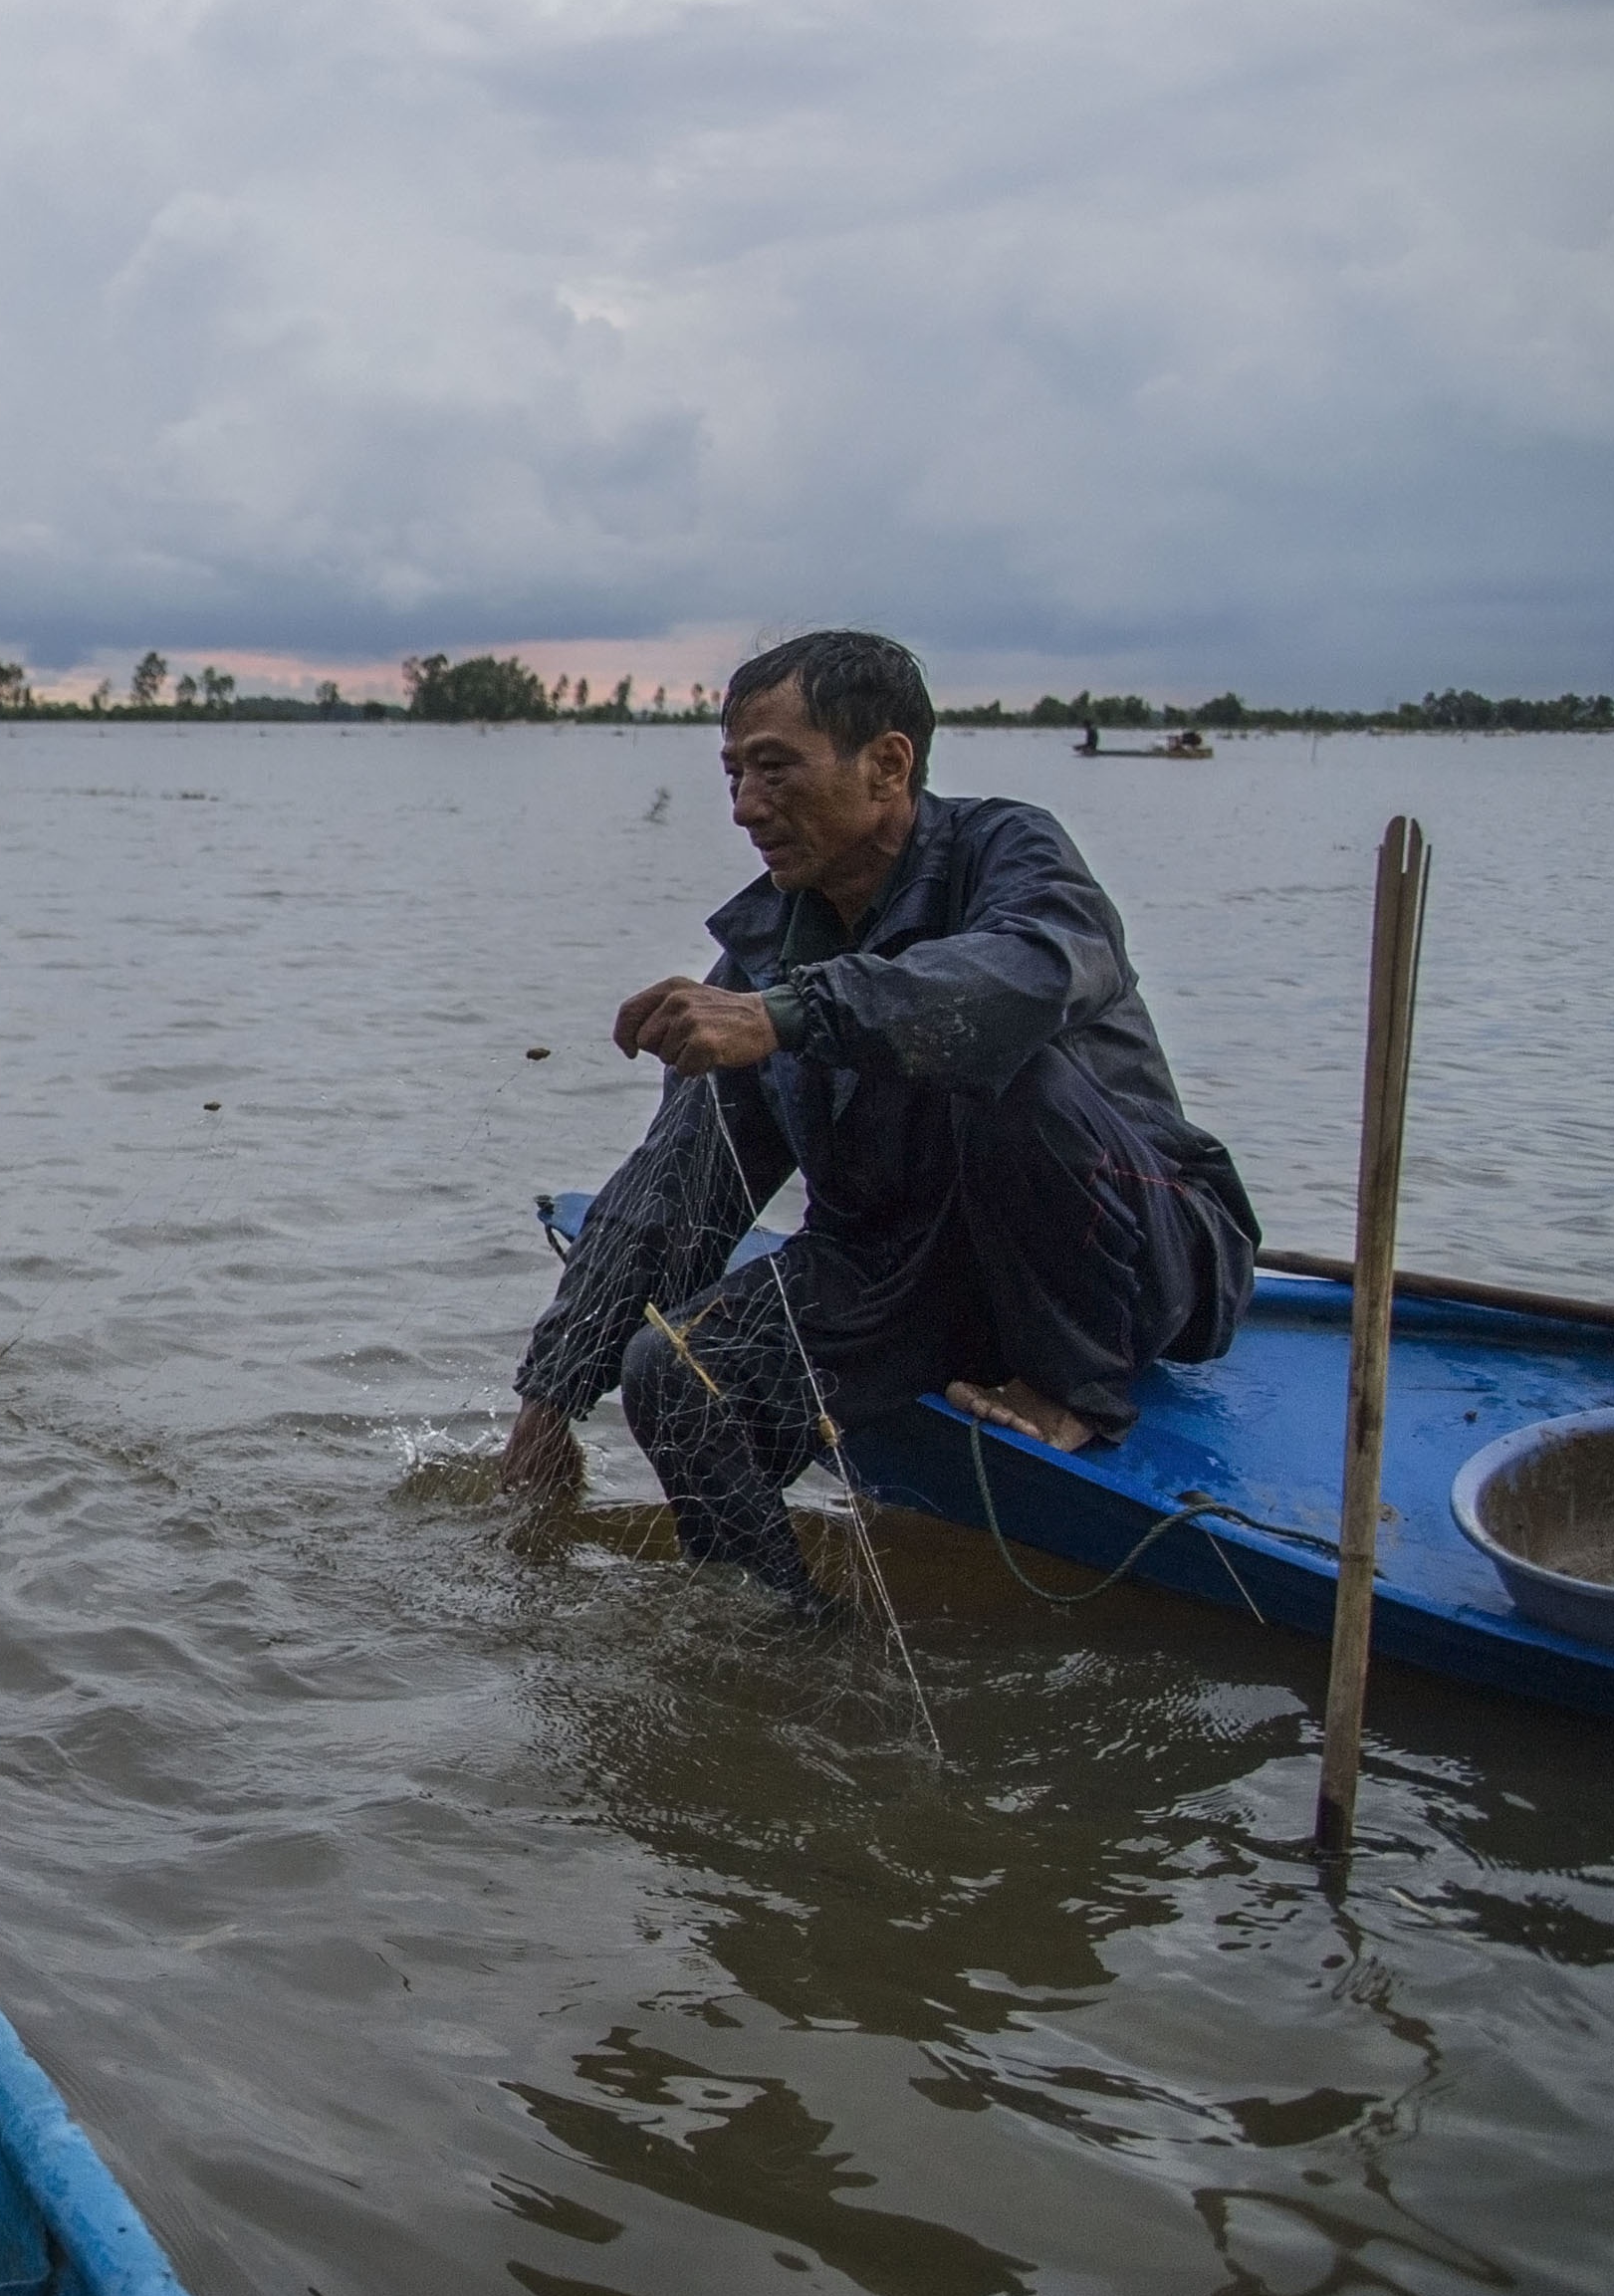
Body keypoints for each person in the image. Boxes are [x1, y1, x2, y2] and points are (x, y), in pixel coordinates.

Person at [498, 630, 1255, 1601]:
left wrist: (786, 1016)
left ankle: (1075, 1389)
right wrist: (552, 1395)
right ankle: (779, 1640)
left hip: (1125, 1258)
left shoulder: (1011, 853)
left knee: (994, 1058)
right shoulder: (769, 943)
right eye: (732, 774)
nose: (744, 808)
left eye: (774, 770)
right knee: (673, 1372)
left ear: (888, 765)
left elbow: (1029, 977)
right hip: (911, 1270)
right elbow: (677, 1185)